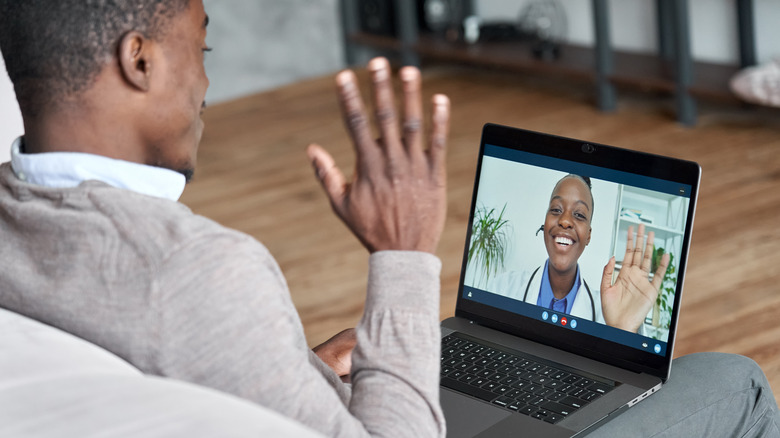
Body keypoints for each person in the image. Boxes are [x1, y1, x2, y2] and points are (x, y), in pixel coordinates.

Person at [0, 1, 778, 437]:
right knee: (732, 380)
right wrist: (402, 253)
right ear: (140, 60)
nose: (207, 79)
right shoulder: (200, 272)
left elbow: (185, 367)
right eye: (202, 45)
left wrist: (293, 366)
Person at [489, 174, 668, 334]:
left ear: (588, 235)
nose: (565, 221)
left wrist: (623, 332)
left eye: (579, 215)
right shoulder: (503, 288)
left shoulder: (607, 313)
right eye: (556, 210)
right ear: (545, 221)